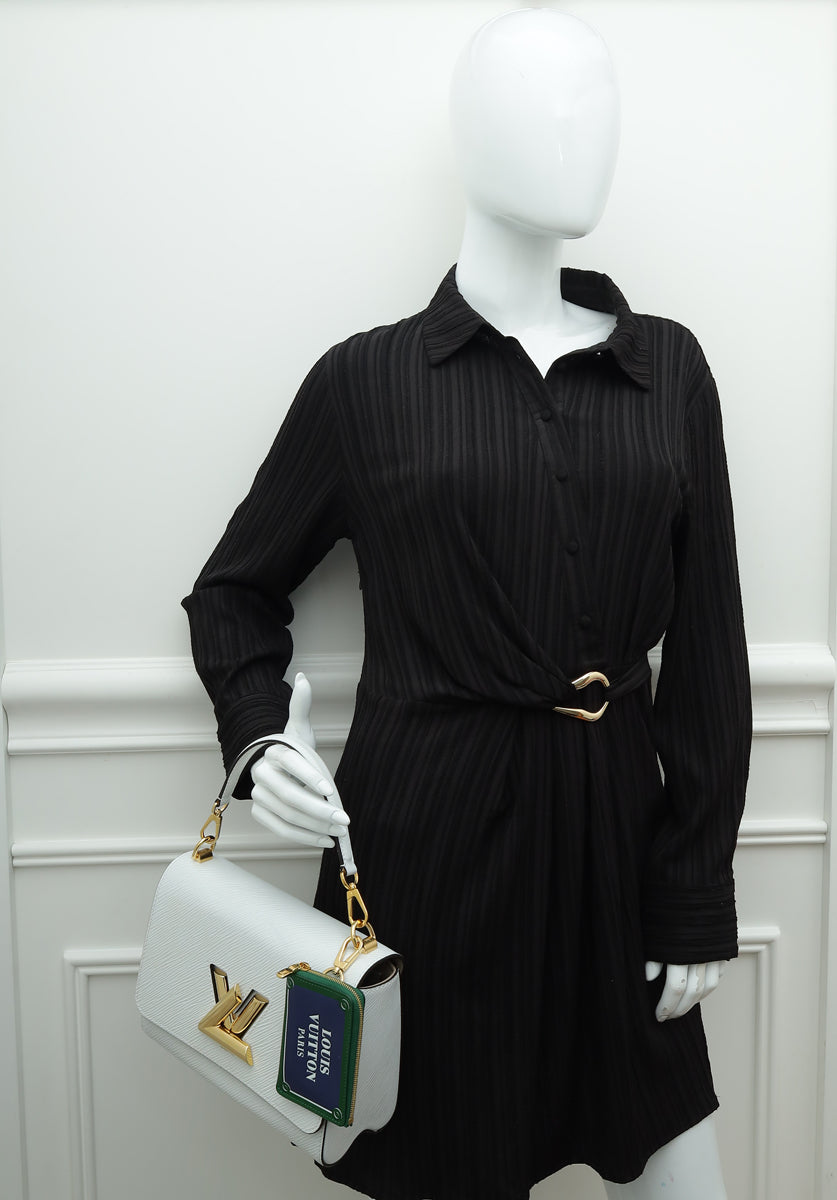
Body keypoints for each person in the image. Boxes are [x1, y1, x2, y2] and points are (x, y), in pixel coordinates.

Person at [182, 10, 751, 1200]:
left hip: (617, 843)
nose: (587, 134)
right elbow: (233, 592)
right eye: (549, 103)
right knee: (448, 1155)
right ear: (471, 131)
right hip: (431, 848)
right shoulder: (368, 382)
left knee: (681, 1161)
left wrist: (695, 891)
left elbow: (709, 651)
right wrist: (261, 734)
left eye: (602, 104)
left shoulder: (669, 369)